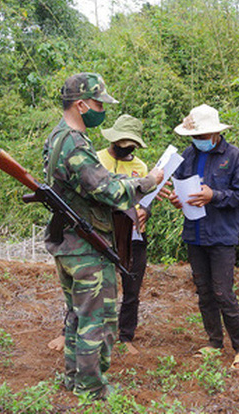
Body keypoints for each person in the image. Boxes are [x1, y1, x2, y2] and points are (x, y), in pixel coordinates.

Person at [43, 73, 163, 399]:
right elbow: (106, 188)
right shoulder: (73, 142)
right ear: (81, 105)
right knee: (98, 320)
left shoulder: (58, 137)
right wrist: (149, 181)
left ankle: (73, 378)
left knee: (77, 316)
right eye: (98, 103)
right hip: (84, 245)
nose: (101, 110)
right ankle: (91, 388)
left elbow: (87, 183)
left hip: (70, 242)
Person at [48, 114, 152, 356]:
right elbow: (100, 191)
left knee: (131, 287)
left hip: (131, 235)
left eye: (130, 143)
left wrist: (145, 211)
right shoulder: (95, 160)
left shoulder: (141, 167)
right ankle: (69, 332)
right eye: (121, 141)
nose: (125, 147)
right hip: (99, 232)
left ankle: (125, 337)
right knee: (87, 287)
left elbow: (144, 199)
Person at [167, 104, 239, 374]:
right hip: (194, 232)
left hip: (221, 234)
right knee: (204, 291)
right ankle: (214, 342)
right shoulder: (188, 155)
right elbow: (181, 185)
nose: (199, 141)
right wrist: (177, 199)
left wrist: (214, 195)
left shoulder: (237, 158)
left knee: (222, 292)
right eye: (195, 136)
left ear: (216, 133)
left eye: (203, 136)